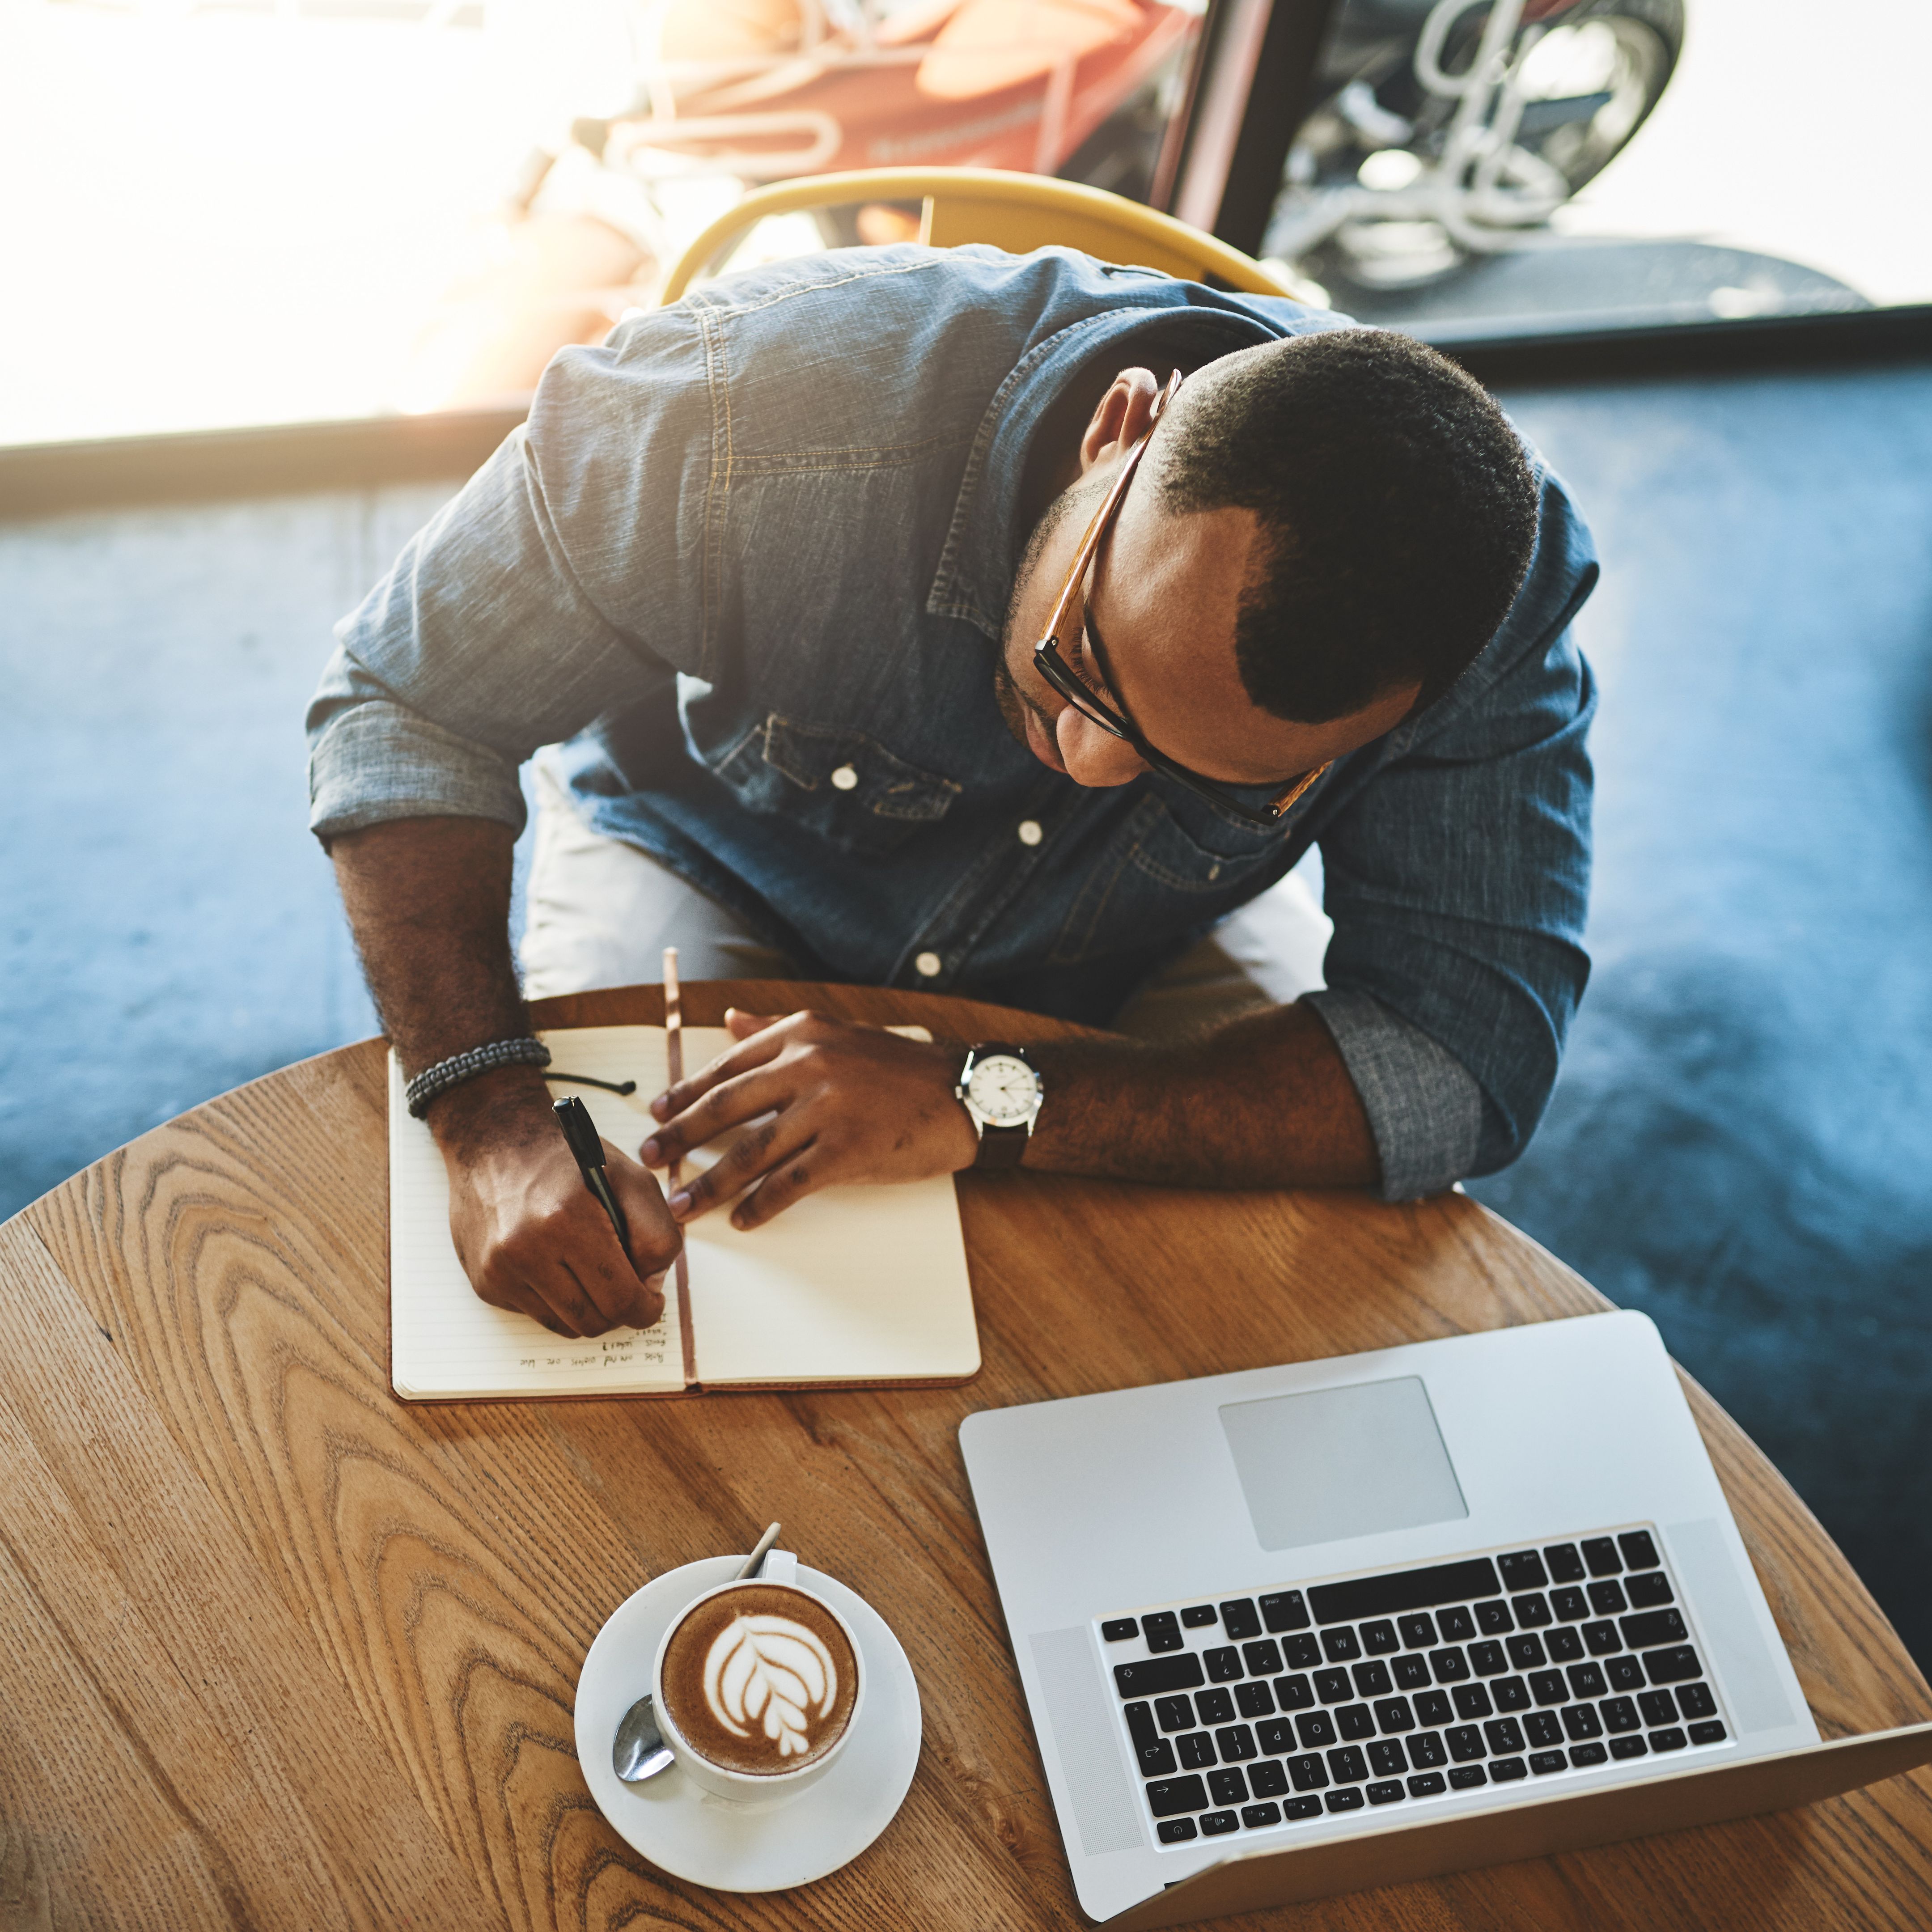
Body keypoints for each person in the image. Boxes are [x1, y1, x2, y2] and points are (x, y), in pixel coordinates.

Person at [307, 243, 1596, 1343]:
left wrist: (994, 1095)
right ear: (1120, 428)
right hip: (710, 846)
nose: (1087, 764)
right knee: (631, 1295)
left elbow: (1456, 1061)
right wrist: (485, 1115)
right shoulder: (748, 408)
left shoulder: (1489, 610)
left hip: (1143, 939)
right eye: (1082, 665)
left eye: (1209, 777)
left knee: (1248, 1340)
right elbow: (405, 700)